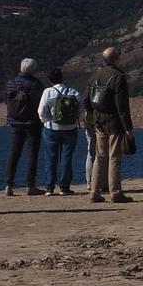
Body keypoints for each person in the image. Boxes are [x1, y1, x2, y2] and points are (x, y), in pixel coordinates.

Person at [85, 47, 134, 202]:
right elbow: (122, 106)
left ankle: (94, 193)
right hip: (114, 122)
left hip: (98, 121)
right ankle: (115, 192)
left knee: (100, 156)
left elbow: (86, 100)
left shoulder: (95, 75)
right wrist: (128, 128)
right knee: (114, 157)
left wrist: (92, 117)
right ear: (116, 59)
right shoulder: (118, 77)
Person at [37, 67, 82, 195]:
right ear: (62, 77)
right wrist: (74, 119)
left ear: (49, 80)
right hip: (70, 129)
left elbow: (41, 111)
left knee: (51, 157)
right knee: (66, 157)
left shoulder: (47, 92)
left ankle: (49, 188)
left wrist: (46, 121)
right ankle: (64, 187)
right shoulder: (73, 92)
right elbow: (80, 109)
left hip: (51, 129)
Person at [4, 58, 45, 196]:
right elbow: (40, 104)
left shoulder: (11, 83)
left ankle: (8, 185)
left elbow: (6, 100)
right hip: (32, 124)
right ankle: (30, 185)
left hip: (15, 122)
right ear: (33, 70)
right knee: (32, 154)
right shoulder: (37, 84)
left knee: (14, 153)